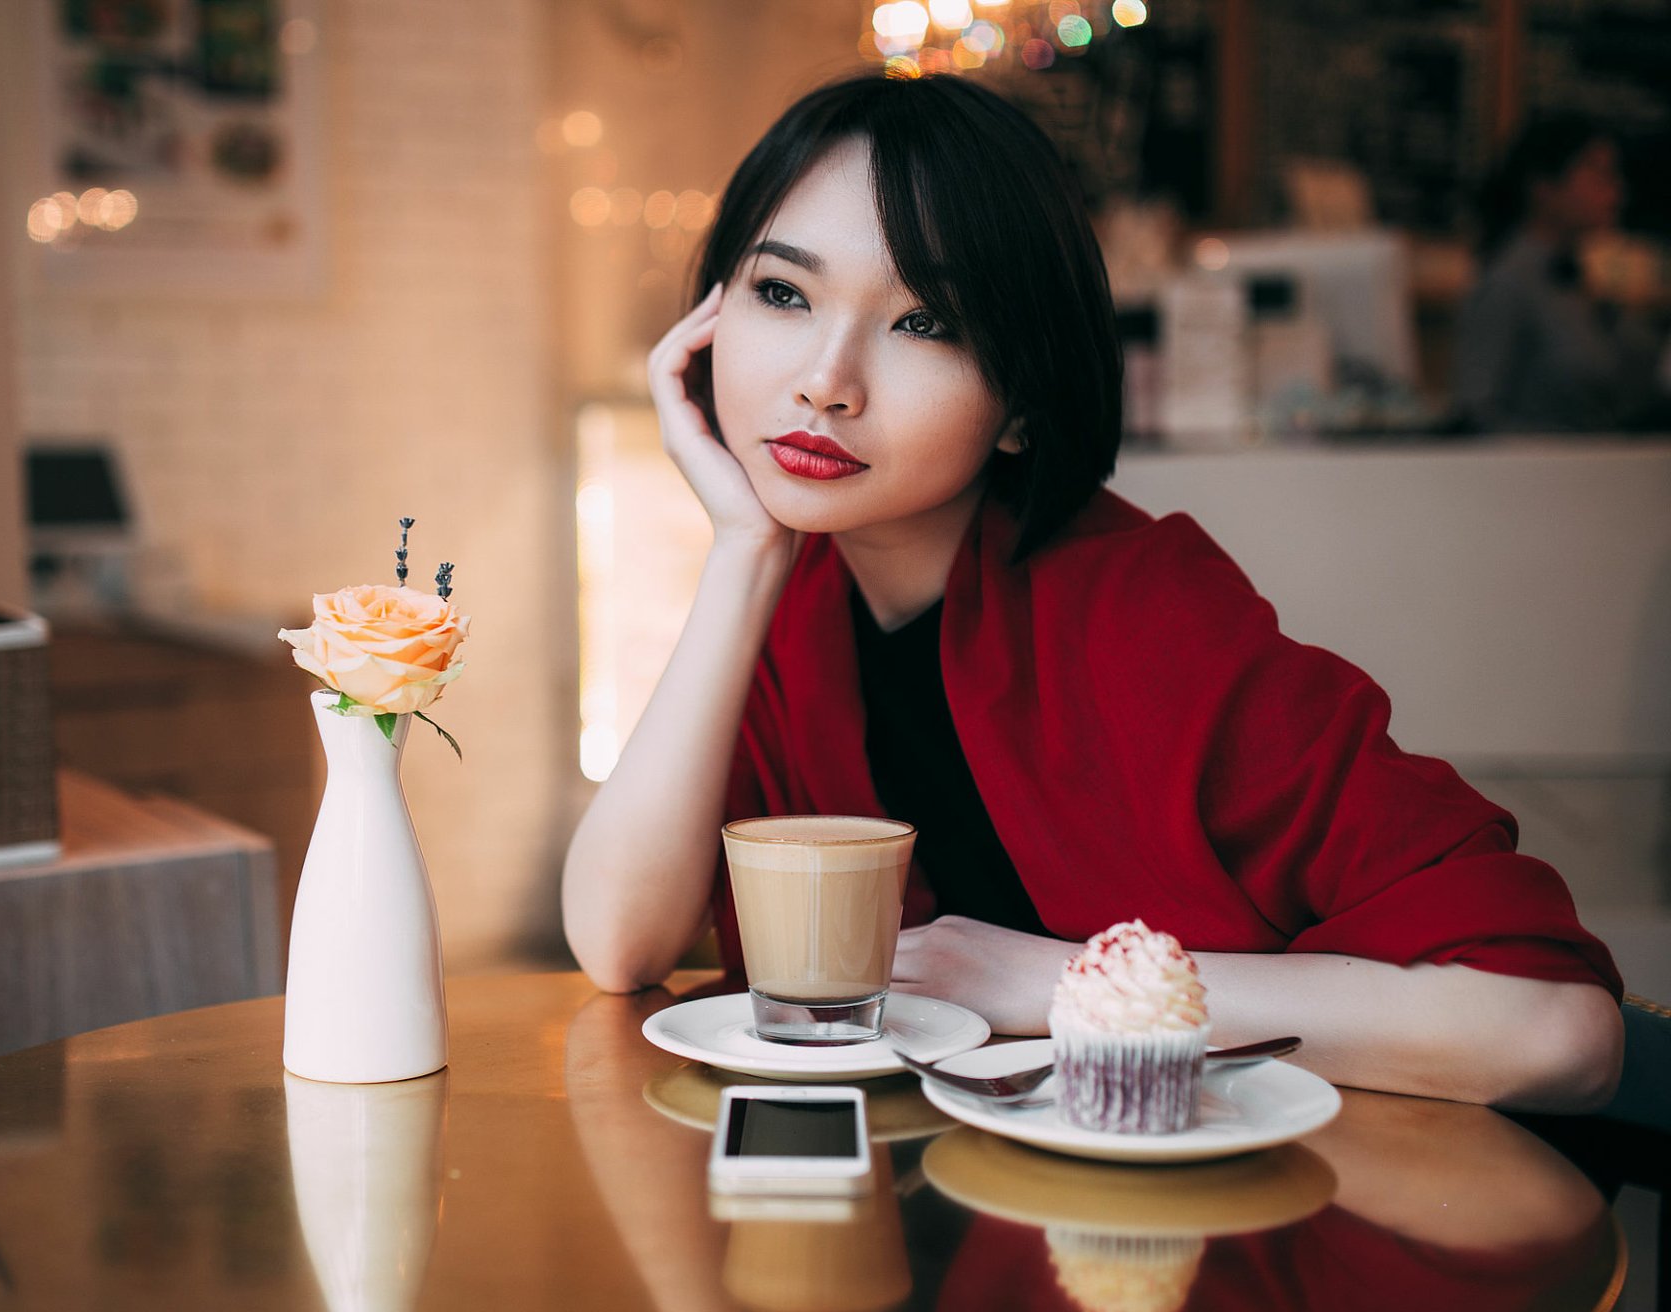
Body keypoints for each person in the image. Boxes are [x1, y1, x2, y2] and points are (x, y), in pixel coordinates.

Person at [561, 73, 1623, 1114]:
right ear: (707, 322)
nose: (825, 379)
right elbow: (619, 942)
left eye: (925, 322)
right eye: (783, 293)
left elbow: (1555, 1030)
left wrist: (1058, 984)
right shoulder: (794, 605)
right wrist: (743, 549)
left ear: (1021, 400)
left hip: (1203, 1241)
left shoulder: (1147, 612)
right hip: (907, 1227)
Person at [1454, 114, 1666, 432]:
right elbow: (1476, 414)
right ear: (1543, 187)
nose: (1616, 192)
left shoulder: (1577, 281)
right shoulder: (1508, 283)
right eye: (1600, 176)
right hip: (1539, 475)